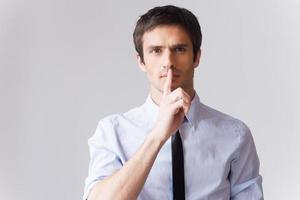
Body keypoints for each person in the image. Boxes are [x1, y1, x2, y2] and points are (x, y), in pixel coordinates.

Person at [83, 5, 263, 200]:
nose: (168, 61)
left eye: (179, 49)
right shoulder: (113, 131)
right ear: (141, 61)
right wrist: (157, 135)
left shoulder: (235, 134)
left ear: (196, 57)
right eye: (156, 51)